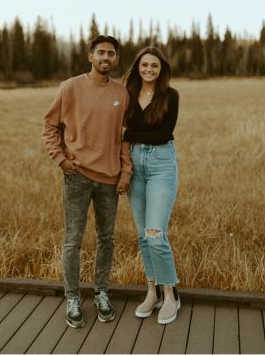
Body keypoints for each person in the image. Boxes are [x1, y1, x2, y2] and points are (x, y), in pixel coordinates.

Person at [42, 34, 132, 329]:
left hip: (109, 180)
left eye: (111, 54)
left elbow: (125, 138)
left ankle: (102, 293)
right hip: (77, 177)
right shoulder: (71, 88)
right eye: (100, 53)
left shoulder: (122, 93)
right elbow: (50, 126)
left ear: (116, 59)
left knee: (107, 239)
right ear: (90, 56)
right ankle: (72, 298)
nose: (106, 58)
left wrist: (125, 172)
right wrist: (61, 160)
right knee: (73, 240)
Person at [121, 47, 181, 324]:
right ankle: (152, 291)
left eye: (154, 66)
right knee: (144, 236)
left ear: (161, 69)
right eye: (144, 65)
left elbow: (163, 134)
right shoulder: (127, 95)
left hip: (160, 165)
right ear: (137, 68)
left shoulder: (170, 96)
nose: (148, 69)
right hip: (134, 166)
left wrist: (127, 134)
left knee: (156, 233)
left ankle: (171, 294)